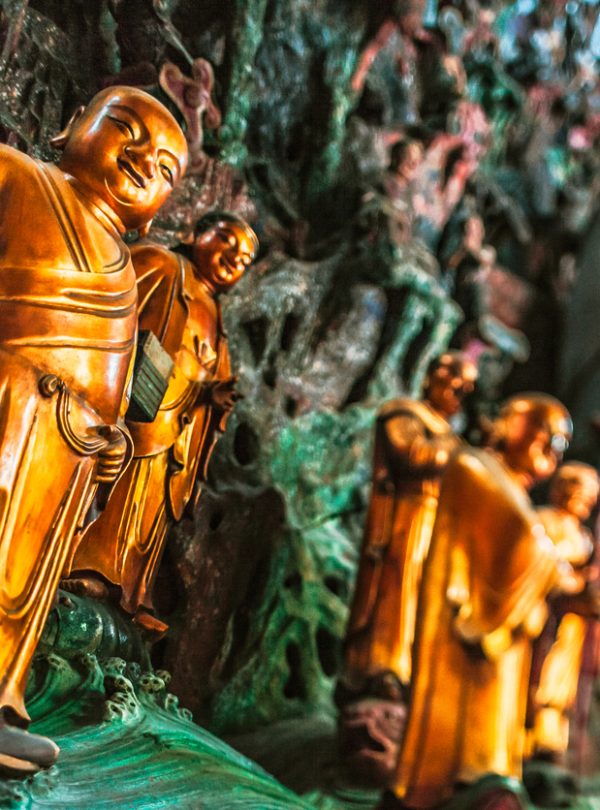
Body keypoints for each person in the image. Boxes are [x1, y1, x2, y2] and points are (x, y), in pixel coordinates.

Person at [0, 85, 188, 774]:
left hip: (66, 448)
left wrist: (107, 446)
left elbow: (121, 379)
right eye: (126, 128)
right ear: (71, 127)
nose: (145, 159)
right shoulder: (18, 176)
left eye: (167, 167)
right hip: (6, 405)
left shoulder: (132, 274)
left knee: (21, 580)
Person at [69, 213, 258, 637]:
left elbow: (208, 372)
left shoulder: (216, 311)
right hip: (139, 406)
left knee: (152, 510)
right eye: (226, 239)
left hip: (180, 426)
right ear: (195, 234)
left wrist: (214, 396)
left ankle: (131, 594)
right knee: (118, 491)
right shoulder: (164, 265)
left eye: (244, 258)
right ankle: (86, 565)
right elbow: (110, 302)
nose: (233, 257)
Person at [384, 394, 573, 809]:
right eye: (545, 434)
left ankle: (487, 775)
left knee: (495, 723)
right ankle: (448, 784)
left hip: (502, 639)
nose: (552, 450)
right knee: (457, 735)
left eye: (560, 443)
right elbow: (521, 537)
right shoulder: (474, 467)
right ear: (514, 427)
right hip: (465, 631)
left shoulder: (514, 488)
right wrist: (553, 565)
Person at [529, 462, 600, 762]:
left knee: (562, 681)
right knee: (540, 675)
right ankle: (529, 736)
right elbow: (537, 562)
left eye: (590, 500)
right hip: (546, 613)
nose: (584, 504)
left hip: (573, 622)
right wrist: (570, 581)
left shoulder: (583, 534)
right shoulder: (545, 519)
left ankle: (552, 739)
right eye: (580, 495)